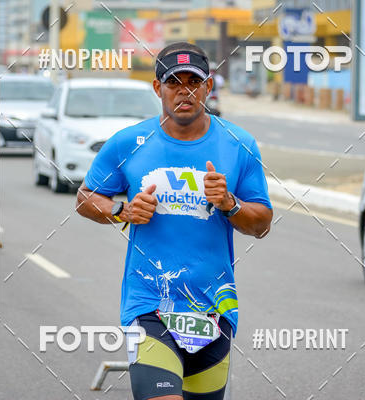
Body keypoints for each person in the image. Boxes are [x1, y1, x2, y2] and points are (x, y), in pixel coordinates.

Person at [76, 42, 273, 400]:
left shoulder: (239, 144)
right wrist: (123, 211)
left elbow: (261, 224)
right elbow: (85, 198)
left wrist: (229, 203)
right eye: (173, 82)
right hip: (149, 305)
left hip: (214, 308)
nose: (185, 91)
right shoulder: (127, 143)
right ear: (157, 88)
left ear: (208, 87)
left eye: (194, 82)